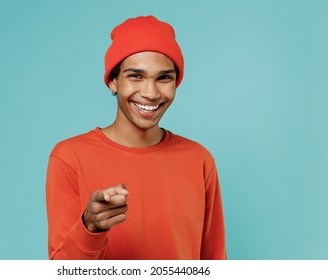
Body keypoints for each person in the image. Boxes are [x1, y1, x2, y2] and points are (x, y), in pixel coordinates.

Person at [46, 15, 226, 260]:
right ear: (113, 81)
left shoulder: (199, 160)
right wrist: (90, 226)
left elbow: (215, 261)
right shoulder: (70, 157)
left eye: (164, 77)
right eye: (135, 76)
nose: (151, 93)